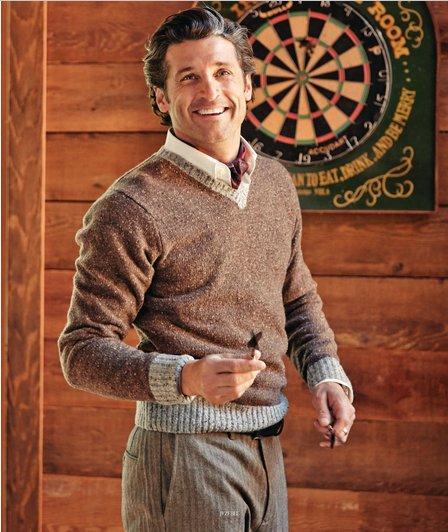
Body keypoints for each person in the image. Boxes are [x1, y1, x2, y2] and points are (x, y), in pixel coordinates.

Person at [57, 6, 356, 531]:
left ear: (248, 86)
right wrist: (185, 377)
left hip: (268, 447)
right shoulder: (130, 207)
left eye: (222, 72)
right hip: (183, 456)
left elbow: (296, 299)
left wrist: (326, 374)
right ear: (161, 97)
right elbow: (81, 352)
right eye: (188, 77)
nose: (209, 91)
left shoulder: (274, 184)